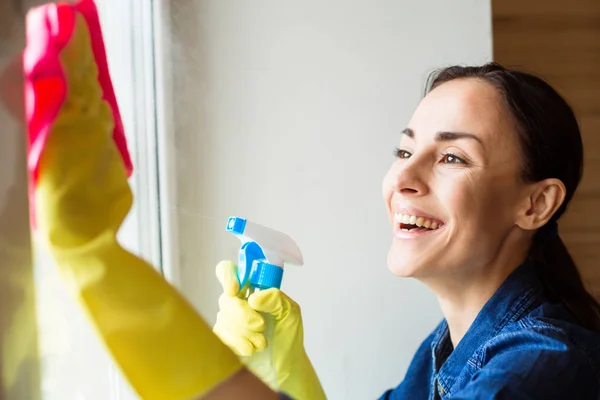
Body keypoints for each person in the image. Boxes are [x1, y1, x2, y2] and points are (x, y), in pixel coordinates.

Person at [213, 63, 600, 399]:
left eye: (452, 157)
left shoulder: (544, 366)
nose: (403, 178)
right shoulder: (441, 351)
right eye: (404, 151)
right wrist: (283, 369)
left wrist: (221, 384)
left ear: (536, 204)